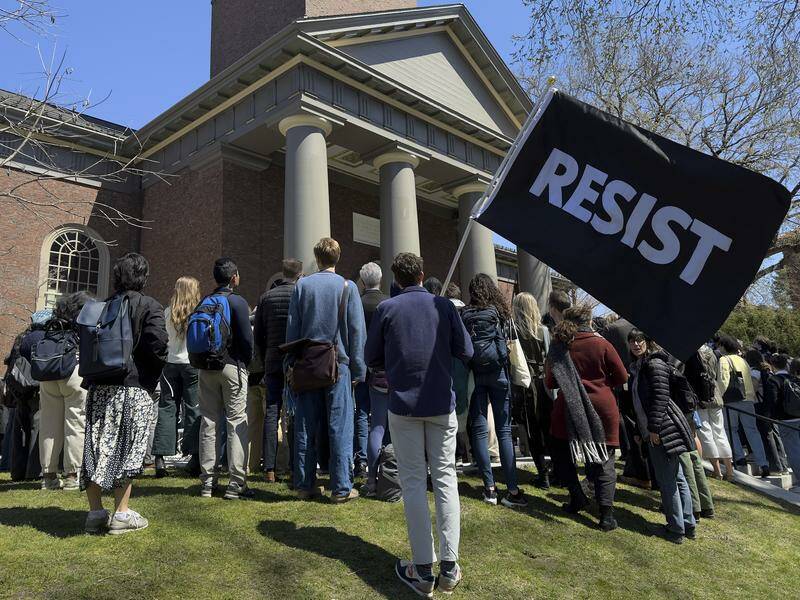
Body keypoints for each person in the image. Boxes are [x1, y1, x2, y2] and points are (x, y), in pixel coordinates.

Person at [365, 252, 473, 597]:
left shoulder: (388, 309)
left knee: (413, 482)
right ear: (423, 275)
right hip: (440, 403)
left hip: (404, 404)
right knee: (445, 479)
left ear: (396, 280)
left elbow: (371, 357)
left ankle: (424, 568)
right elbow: (466, 350)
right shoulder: (444, 307)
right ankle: (449, 566)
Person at [82, 253, 168, 534]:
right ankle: (121, 513)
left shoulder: (101, 307)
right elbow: (158, 345)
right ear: (143, 277)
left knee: (95, 446)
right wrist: (153, 372)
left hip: (98, 386)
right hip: (132, 386)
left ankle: (95, 513)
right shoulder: (149, 305)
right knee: (127, 448)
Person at [286, 238, 366, 503]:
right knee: (340, 427)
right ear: (337, 258)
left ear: (317, 258)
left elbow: (293, 329)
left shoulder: (302, 286)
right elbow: (357, 332)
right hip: (338, 366)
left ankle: (304, 484)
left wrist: (291, 364)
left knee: (305, 425)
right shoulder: (348, 287)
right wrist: (359, 370)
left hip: (308, 364)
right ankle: (341, 487)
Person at [545, 304, 627, 531]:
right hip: (602, 407)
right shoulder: (602, 344)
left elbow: (550, 382)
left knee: (561, 454)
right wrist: (602, 385)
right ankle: (606, 515)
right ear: (589, 321)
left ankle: (577, 497)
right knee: (604, 459)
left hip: (568, 408)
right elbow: (622, 376)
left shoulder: (559, 346)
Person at [461, 274, 527, 508]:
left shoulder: (464, 315)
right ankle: (512, 489)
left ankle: (489, 488)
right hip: (499, 373)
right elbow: (510, 344)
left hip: (475, 375)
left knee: (479, 431)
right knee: (504, 431)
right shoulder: (500, 313)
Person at [628, 330, 697, 544]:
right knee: (677, 477)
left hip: (663, 428)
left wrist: (654, 429)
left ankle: (676, 528)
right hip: (657, 427)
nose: (636, 344)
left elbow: (660, 398)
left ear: (648, 342)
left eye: (640, 340)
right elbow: (641, 402)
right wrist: (640, 430)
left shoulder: (654, 364)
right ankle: (687, 524)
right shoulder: (640, 366)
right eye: (632, 341)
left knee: (668, 480)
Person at [20, 292, 91, 491]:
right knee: (75, 423)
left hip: (48, 374)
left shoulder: (52, 326)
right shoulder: (83, 325)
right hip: (73, 372)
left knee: (49, 425)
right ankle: (72, 475)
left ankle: (48, 476)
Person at [196, 258, 254, 500]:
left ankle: (208, 482)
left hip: (205, 368)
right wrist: (246, 362)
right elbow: (247, 339)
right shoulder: (237, 302)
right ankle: (236, 482)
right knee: (236, 421)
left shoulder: (205, 301)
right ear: (234, 278)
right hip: (232, 366)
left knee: (208, 422)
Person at [254, 258, 302, 483]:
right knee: (294, 413)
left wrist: (265, 358)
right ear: (299, 275)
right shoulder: (300, 295)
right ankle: (293, 466)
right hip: (294, 361)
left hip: (272, 360)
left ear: (283, 273)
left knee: (272, 413)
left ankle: (270, 469)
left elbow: (259, 335)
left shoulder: (266, 298)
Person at [152, 276, 201, 478]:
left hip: (170, 365)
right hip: (191, 365)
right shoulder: (198, 313)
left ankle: (160, 458)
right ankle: (194, 457)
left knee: (167, 408)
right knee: (193, 408)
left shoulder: (167, 312)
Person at [511, 292, 552, 488]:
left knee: (532, 430)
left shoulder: (513, 332)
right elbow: (550, 358)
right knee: (548, 428)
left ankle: (543, 475)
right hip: (543, 383)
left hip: (523, 385)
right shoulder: (543, 330)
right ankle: (556, 472)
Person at [356, 262, 389, 495]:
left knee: (362, 415)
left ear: (362, 281)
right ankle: (388, 471)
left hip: (362, 366)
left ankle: (365, 469)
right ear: (381, 278)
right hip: (384, 369)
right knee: (383, 424)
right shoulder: (388, 303)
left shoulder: (357, 302)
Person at [717, 334, 770, 478]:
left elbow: (724, 380)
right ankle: (763, 463)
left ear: (723, 346)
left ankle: (740, 458)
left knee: (731, 429)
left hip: (731, 400)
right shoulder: (743, 360)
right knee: (752, 431)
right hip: (748, 399)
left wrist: (718, 396)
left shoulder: (724, 360)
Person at [685, 344, 734, 480]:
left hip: (700, 397)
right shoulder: (711, 353)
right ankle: (730, 471)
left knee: (706, 433)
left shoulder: (691, 354)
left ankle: (717, 471)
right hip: (714, 393)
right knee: (720, 432)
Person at [745, 349, 788, 475]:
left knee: (766, 436)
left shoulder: (755, 372)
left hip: (760, 407)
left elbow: (751, 390)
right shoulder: (767, 370)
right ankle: (783, 465)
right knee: (775, 435)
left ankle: (775, 467)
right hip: (770, 407)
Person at [763, 355, 800, 486]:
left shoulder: (774, 380)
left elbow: (772, 401)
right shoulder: (794, 378)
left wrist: (769, 417)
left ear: (773, 365)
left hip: (786, 419)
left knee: (793, 450)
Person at [446, 283, 471, 466]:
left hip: (450, 362)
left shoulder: (444, 311)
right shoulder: (466, 312)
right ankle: (467, 452)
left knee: (452, 407)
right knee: (464, 407)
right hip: (463, 363)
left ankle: (456, 451)